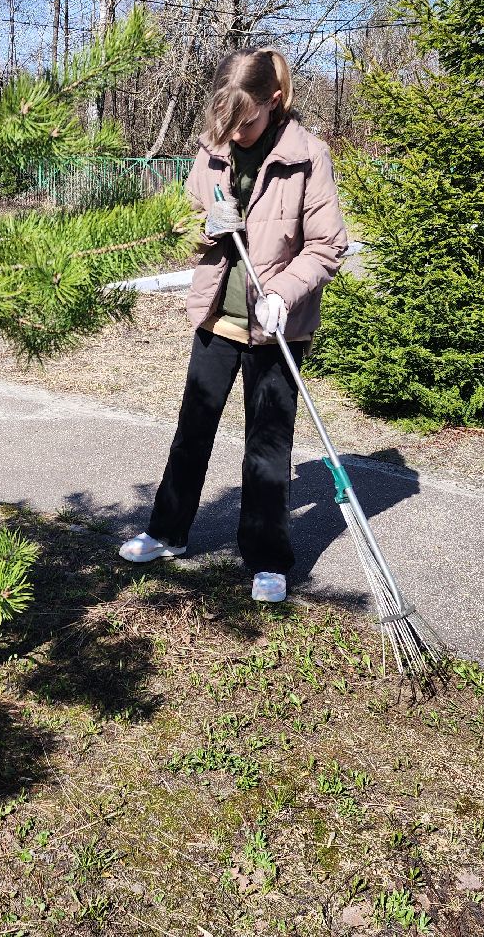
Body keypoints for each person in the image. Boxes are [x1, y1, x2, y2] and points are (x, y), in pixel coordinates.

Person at [118, 47, 349, 603]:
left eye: (246, 122)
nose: (236, 134)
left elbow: (328, 246)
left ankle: (268, 559)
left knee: (267, 445)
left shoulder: (308, 156)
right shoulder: (214, 149)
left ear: (275, 102)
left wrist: (284, 295)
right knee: (192, 430)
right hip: (217, 317)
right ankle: (167, 531)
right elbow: (185, 223)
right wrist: (207, 226)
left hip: (276, 327)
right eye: (227, 122)